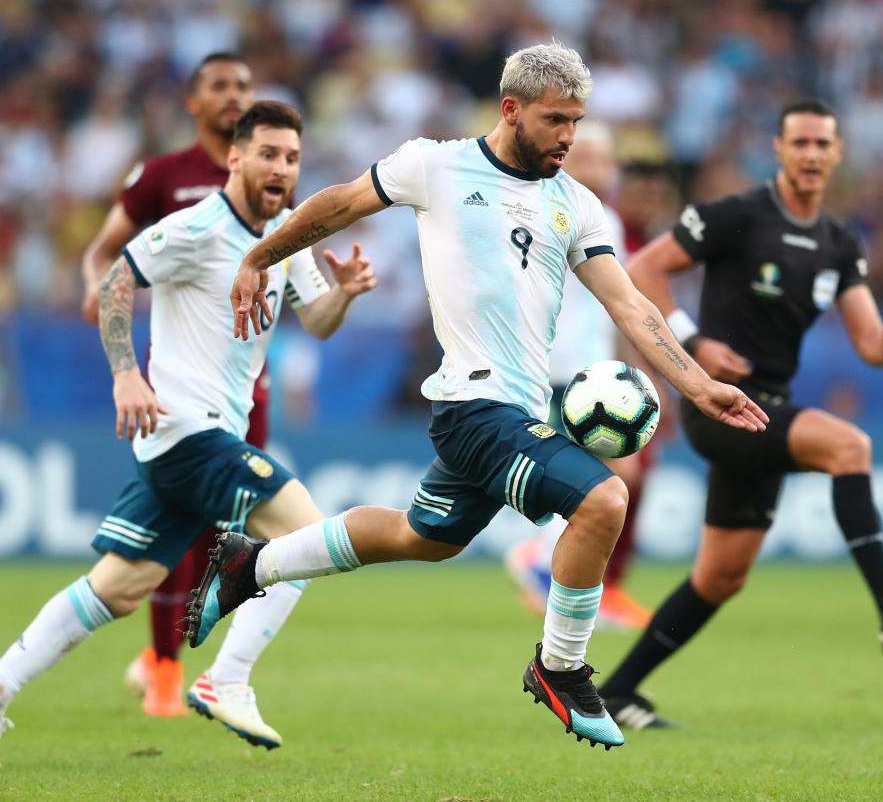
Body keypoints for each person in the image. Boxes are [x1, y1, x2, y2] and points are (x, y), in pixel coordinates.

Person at [186, 42, 767, 751]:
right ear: (512, 108)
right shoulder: (435, 164)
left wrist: (698, 382)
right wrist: (258, 256)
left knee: (422, 536)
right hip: (473, 407)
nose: (569, 138)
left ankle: (252, 562)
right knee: (605, 499)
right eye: (556, 120)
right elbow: (339, 203)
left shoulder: (576, 205)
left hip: (515, 412)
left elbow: (629, 303)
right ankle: (561, 666)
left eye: (577, 122)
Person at [0, 101, 377, 767]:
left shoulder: (290, 238)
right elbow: (119, 279)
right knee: (308, 535)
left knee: (118, 588)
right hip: (185, 429)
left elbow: (316, 320)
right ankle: (227, 677)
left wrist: (344, 292)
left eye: (292, 158)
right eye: (267, 153)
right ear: (234, 157)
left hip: (193, 442)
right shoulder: (198, 227)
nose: (281, 168)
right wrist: (125, 374)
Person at [596, 99, 883, 730]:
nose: (813, 154)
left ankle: (620, 691)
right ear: (780, 148)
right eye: (801, 143)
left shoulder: (841, 244)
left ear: (838, 152)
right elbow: (643, 268)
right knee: (850, 447)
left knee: (720, 576)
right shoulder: (738, 216)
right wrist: (694, 341)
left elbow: (869, 341)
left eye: (824, 144)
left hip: (768, 408)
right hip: (720, 403)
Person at [80, 51, 271, 718]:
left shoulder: (269, 177)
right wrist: (94, 285)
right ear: (193, 102)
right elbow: (107, 253)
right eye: (220, 85)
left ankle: (182, 662)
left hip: (251, 388)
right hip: (180, 390)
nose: (234, 95)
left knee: (230, 536)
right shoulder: (164, 177)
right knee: (181, 533)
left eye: (244, 85)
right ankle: (165, 666)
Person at [503, 121, 654, 629]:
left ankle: (557, 567)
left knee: (616, 475)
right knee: (600, 477)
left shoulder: (605, 218)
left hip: (596, 374)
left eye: (602, 160)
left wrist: (630, 370)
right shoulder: (539, 206)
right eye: (584, 157)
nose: (594, 168)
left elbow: (619, 305)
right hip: (551, 370)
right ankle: (543, 560)